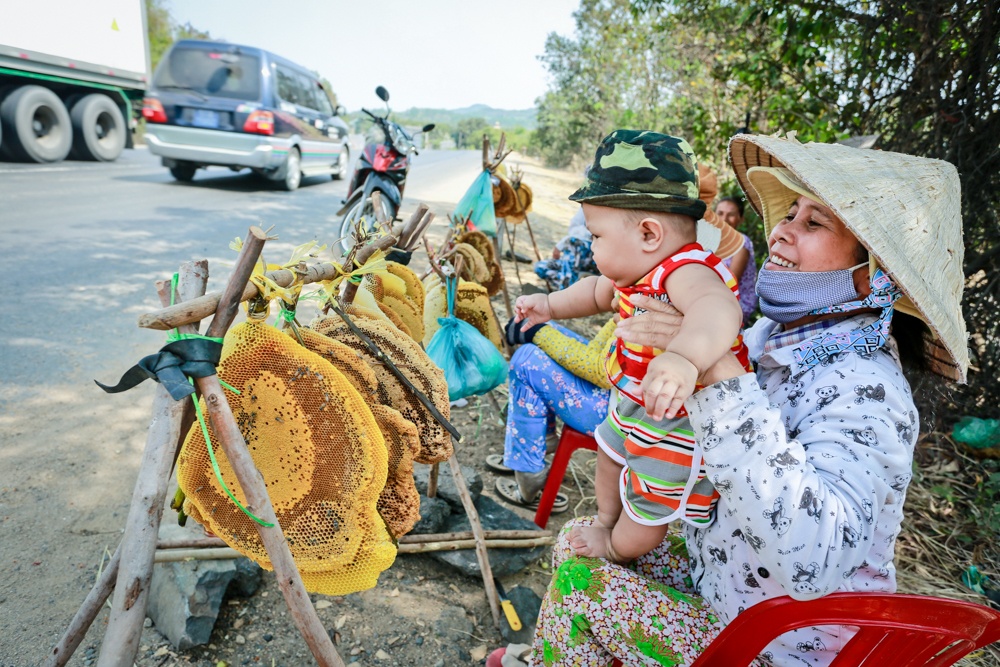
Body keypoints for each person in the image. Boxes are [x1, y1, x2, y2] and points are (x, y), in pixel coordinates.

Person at [509, 133, 969, 667]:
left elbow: (811, 564)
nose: (781, 232)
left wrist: (715, 371)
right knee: (577, 543)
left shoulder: (867, 391)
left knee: (585, 588)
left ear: (874, 275)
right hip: (728, 582)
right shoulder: (781, 336)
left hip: (781, 644)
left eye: (813, 223)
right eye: (790, 213)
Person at [513, 130, 751, 563]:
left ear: (648, 233)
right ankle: (606, 520)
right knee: (609, 454)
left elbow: (718, 310)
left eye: (597, 236)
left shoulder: (685, 271)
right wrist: (548, 306)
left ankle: (620, 549)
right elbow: (593, 292)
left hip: (676, 423)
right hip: (631, 402)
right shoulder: (636, 272)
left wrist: (684, 358)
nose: (591, 245)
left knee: (649, 506)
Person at [714, 194, 759, 322]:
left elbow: (729, 282)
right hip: (714, 296)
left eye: (731, 214)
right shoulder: (710, 241)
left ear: (741, 219)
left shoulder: (741, 243)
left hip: (734, 304)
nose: (725, 219)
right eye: (720, 213)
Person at [533, 206, 599, 290]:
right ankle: (569, 288)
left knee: (575, 243)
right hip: (574, 260)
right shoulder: (585, 208)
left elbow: (591, 232)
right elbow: (575, 229)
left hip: (592, 258)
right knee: (540, 267)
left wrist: (562, 244)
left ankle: (566, 289)